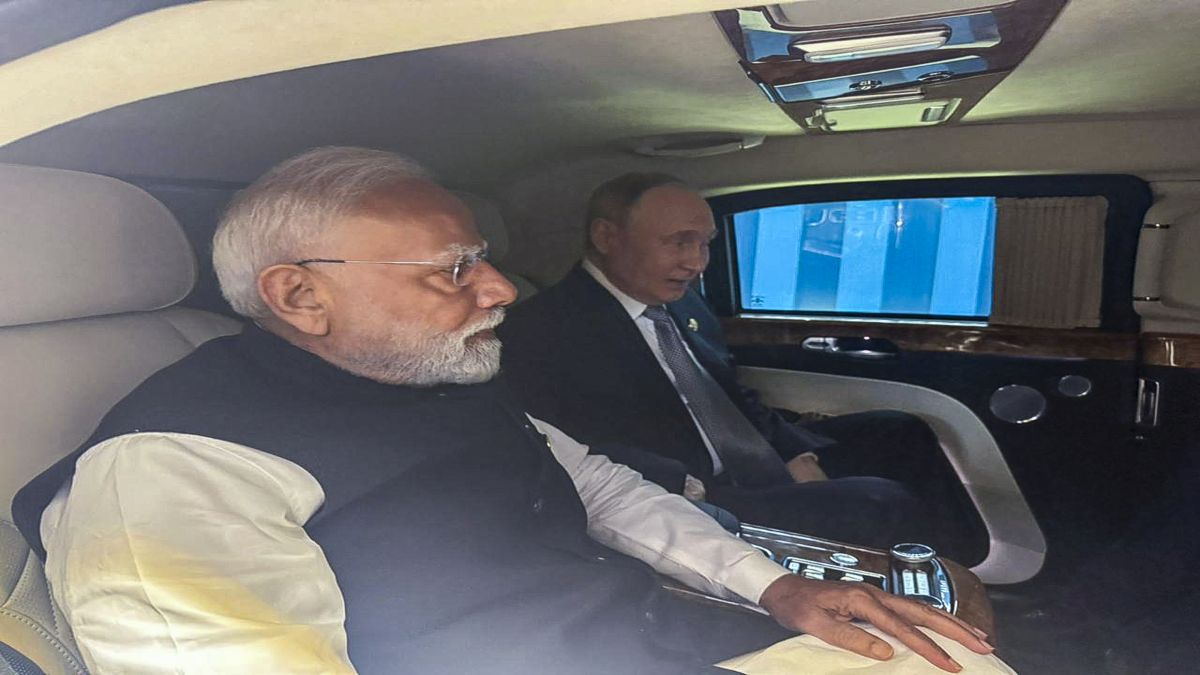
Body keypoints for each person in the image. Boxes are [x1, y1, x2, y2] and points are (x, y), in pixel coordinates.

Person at [12, 148, 997, 674]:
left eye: (479, 256)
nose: (502, 290)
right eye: (452, 268)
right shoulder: (171, 470)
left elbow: (602, 488)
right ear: (300, 296)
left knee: (946, 656)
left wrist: (769, 586)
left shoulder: (430, 374)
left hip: (657, 635)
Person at [498, 172, 986, 563]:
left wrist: (794, 453)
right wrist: (695, 487)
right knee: (879, 502)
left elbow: (729, 395)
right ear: (607, 236)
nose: (697, 262)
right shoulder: (540, 331)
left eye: (705, 243)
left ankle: (963, 570)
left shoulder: (684, 306)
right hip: (690, 491)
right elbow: (562, 448)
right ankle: (932, 603)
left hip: (747, 462)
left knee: (900, 430)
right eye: (679, 242)